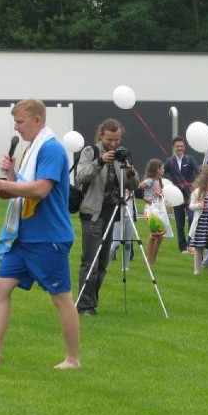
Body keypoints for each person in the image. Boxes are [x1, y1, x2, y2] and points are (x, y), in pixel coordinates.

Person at [0, 99, 80, 368]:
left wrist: (1, 183)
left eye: (20, 121)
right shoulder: (33, 148)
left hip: (48, 237)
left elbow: (40, 190)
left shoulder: (51, 149)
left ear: (37, 120)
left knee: (60, 297)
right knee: (0, 286)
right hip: (25, 236)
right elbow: (17, 193)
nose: (16, 128)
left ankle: (73, 359)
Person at [76, 118, 140, 316]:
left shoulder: (121, 155)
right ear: (101, 135)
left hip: (112, 213)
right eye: (110, 139)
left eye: (117, 139)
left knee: (103, 263)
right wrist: (101, 161)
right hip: (93, 213)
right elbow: (81, 175)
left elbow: (134, 185)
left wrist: (130, 171)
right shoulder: (90, 152)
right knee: (91, 262)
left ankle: (91, 301)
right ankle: (85, 305)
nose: (113, 144)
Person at [163, 136, 199, 254]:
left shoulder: (190, 159)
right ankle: (182, 247)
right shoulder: (169, 161)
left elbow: (197, 171)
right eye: (178, 146)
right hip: (176, 196)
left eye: (182, 146)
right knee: (179, 222)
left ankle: (191, 245)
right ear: (173, 148)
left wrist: (196, 185)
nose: (180, 148)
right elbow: (162, 173)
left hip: (189, 195)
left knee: (192, 219)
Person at [139, 158, 171, 265]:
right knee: (154, 235)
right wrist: (144, 198)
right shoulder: (149, 180)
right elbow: (139, 188)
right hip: (150, 210)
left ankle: (154, 257)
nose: (163, 170)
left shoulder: (159, 180)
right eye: (162, 168)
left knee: (160, 235)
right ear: (156, 169)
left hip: (159, 208)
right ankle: (149, 259)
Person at [188, 165, 208, 275]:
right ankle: (197, 270)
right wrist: (198, 205)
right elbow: (191, 206)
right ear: (207, 177)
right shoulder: (198, 192)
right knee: (199, 247)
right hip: (201, 223)